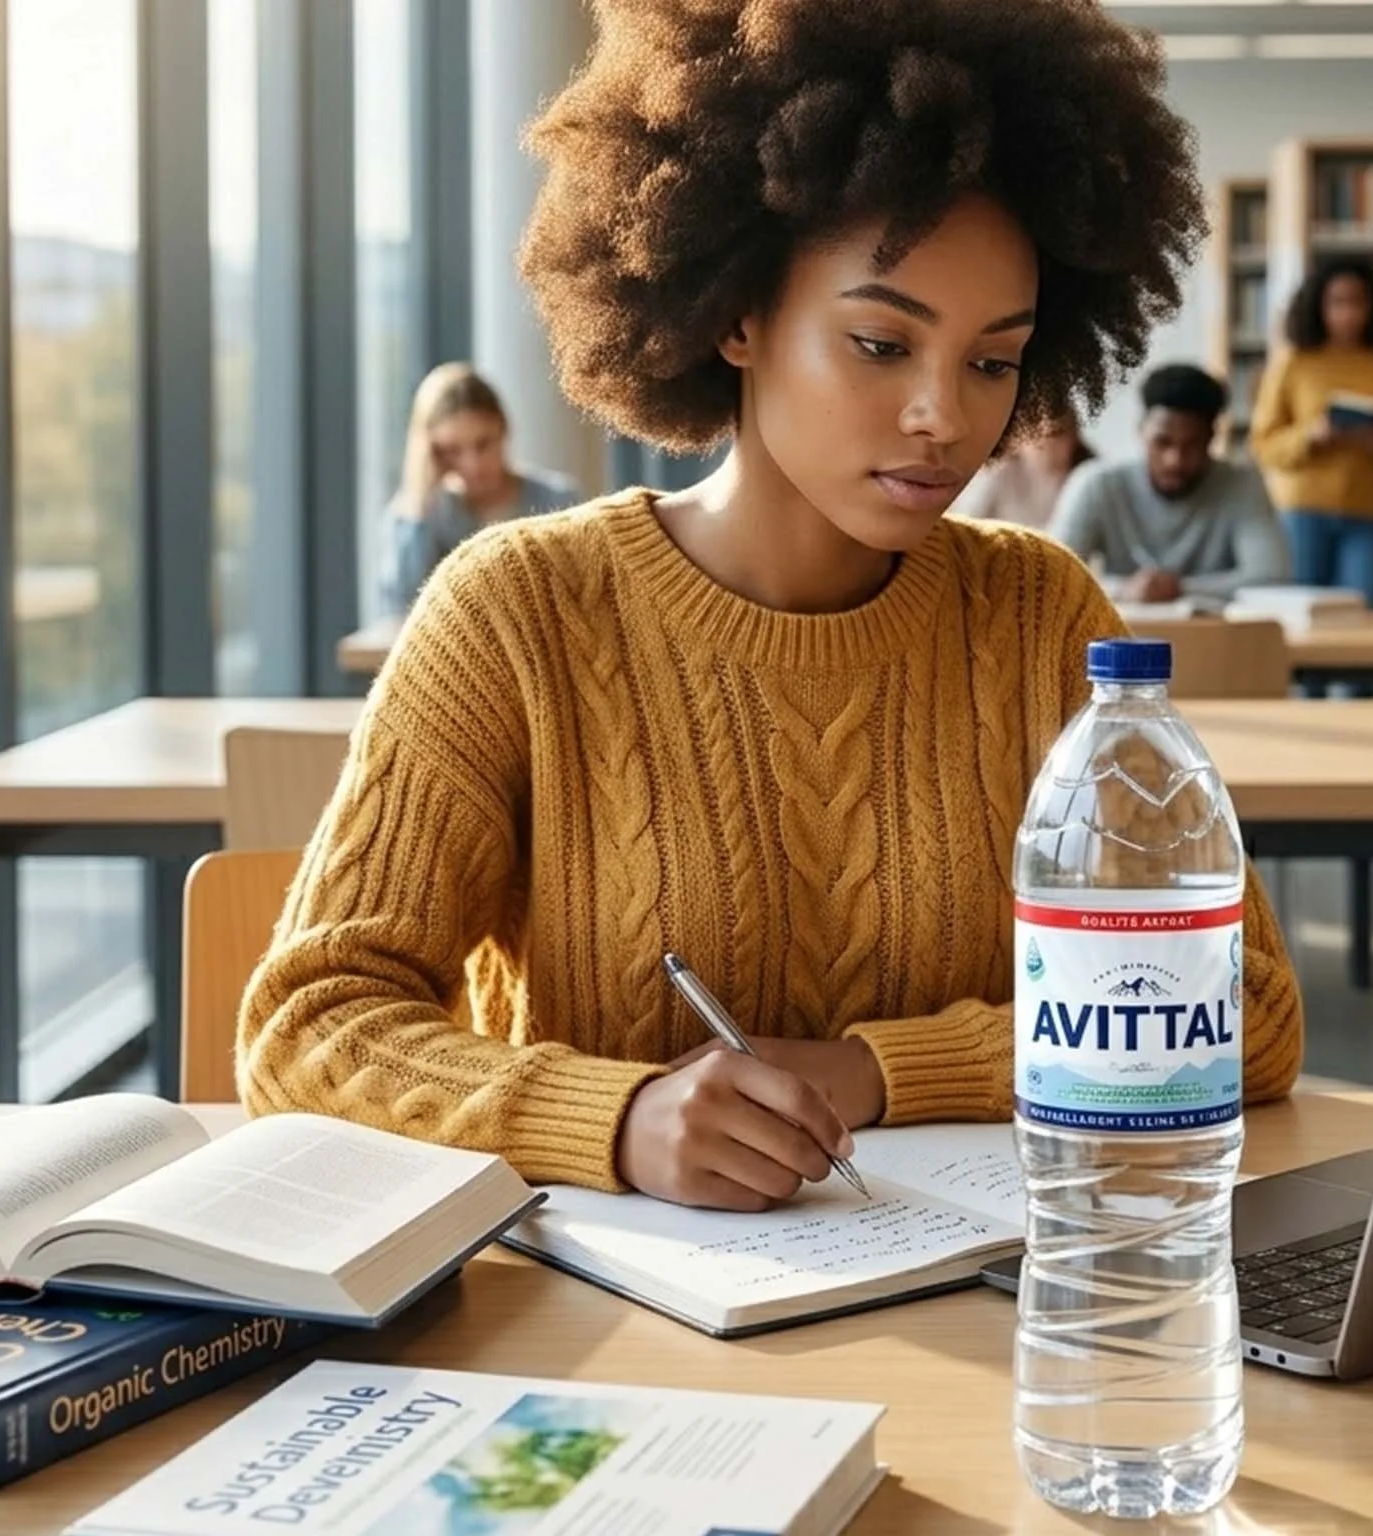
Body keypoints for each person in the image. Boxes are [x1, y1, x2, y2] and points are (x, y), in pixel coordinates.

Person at [239, 0, 1304, 1213]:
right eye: (877, 343)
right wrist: (617, 1116)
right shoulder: (515, 613)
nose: (943, 417)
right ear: (736, 314)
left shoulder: (1039, 612)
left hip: (977, 1311)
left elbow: (1245, 1006)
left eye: (992, 360)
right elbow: (309, 1024)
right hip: (615, 1347)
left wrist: (874, 1072)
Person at [1250, 256, 1373, 611]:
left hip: (1370, 511)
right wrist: (1310, 437)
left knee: (1364, 610)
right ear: (1319, 305)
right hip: (1303, 510)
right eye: (1337, 302)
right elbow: (1264, 443)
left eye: (1358, 302)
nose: (1348, 314)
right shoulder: (1296, 362)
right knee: (1301, 610)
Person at [1051, 364, 1287, 603]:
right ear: (1141, 431)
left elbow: (1272, 576)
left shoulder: (1242, 485)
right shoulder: (1096, 483)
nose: (1175, 460)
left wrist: (1179, 588)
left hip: (1215, 636)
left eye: (1191, 445)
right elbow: (1056, 575)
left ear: (1211, 438)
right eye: (1162, 442)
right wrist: (1124, 589)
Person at [381, 363, 578, 614]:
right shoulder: (424, 516)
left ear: (503, 428)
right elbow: (400, 608)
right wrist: (419, 499)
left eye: (483, 444)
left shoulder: (557, 502)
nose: (473, 465)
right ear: (433, 452)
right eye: (453, 451)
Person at [953, 406, 1093, 530]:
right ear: (1018, 439)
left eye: (1056, 434)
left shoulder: (1089, 479)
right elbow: (961, 529)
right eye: (1037, 434)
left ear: (1073, 439)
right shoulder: (997, 472)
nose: (1046, 444)